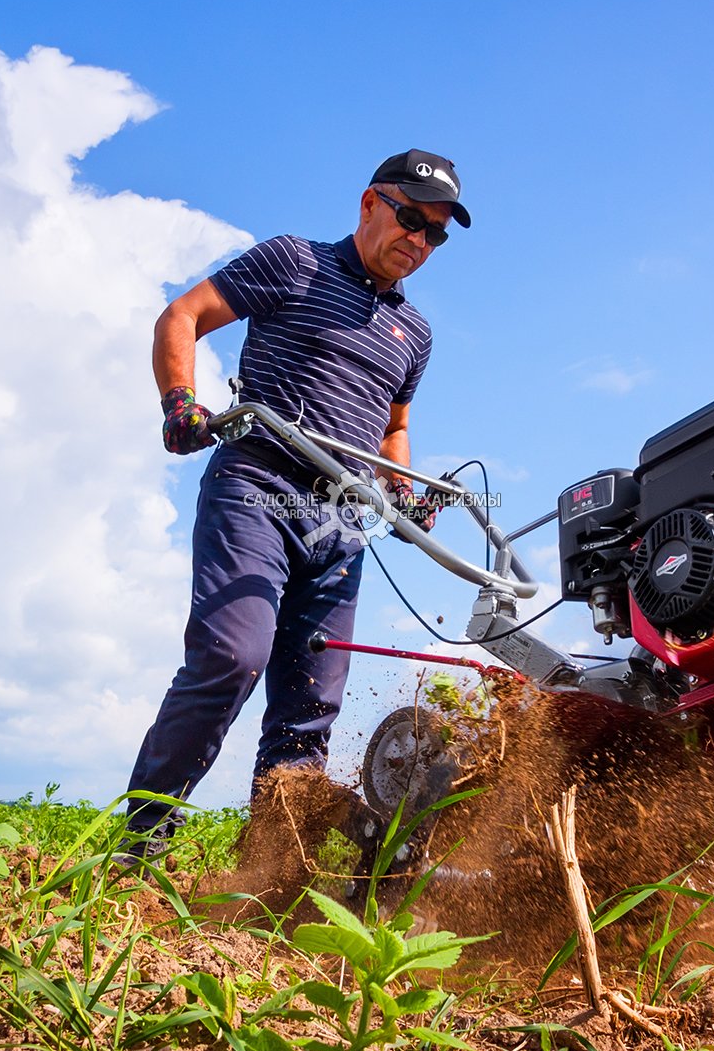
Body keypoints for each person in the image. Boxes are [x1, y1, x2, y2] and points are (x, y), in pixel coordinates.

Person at [119, 149, 472, 862]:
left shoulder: (416, 334)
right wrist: (180, 403)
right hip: (259, 484)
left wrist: (401, 491)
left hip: (341, 523)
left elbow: (393, 426)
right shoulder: (296, 262)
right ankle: (138, 848)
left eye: (435, 235)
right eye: (411, 219)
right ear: (371, 203)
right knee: (230, 654)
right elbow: (183, 315)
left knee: (309, 710)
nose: (420, 241)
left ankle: (267, 875)